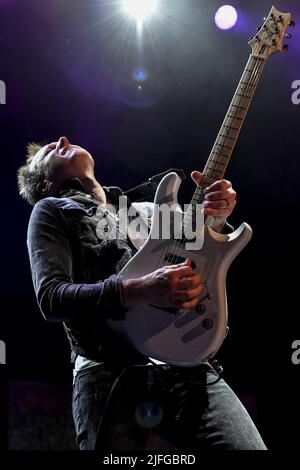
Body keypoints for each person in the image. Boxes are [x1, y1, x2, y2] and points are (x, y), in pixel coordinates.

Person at [17, 136, 267, 451]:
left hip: (185, 359)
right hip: (108, 370)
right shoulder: (51, 209)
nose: (62, 141)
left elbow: (197, 250)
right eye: (48, 151)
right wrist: (140, 289)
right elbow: (52, 298)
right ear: (43, 185)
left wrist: (215, 216)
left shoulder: (141, 209)